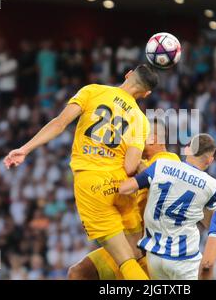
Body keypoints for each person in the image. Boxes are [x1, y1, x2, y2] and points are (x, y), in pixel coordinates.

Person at [4, 64, 159, 280]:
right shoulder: (140, 120)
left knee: (126, 260)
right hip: (122, 187)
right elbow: (131, 167)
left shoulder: (93, 91)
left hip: (92, 186)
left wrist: (24, 149)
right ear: (146, 93)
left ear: (128, 74)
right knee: (136, 250)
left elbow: (59, 124)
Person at [67, 119, 181, 280]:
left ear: (153, 139)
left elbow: (170, 192)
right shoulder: (139, 163)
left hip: (151, 248)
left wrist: (144, 174)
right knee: (79, 272)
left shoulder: (169, 160)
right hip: (130, 242)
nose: (132, 141)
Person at [118, 134, 216, 280]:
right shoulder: (211, 185)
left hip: (155, 255)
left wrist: (142, 170)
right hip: (184, 258)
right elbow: (210, 224)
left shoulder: (161, 165)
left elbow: (124, 189)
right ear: (210, 160)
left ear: (186, 150)